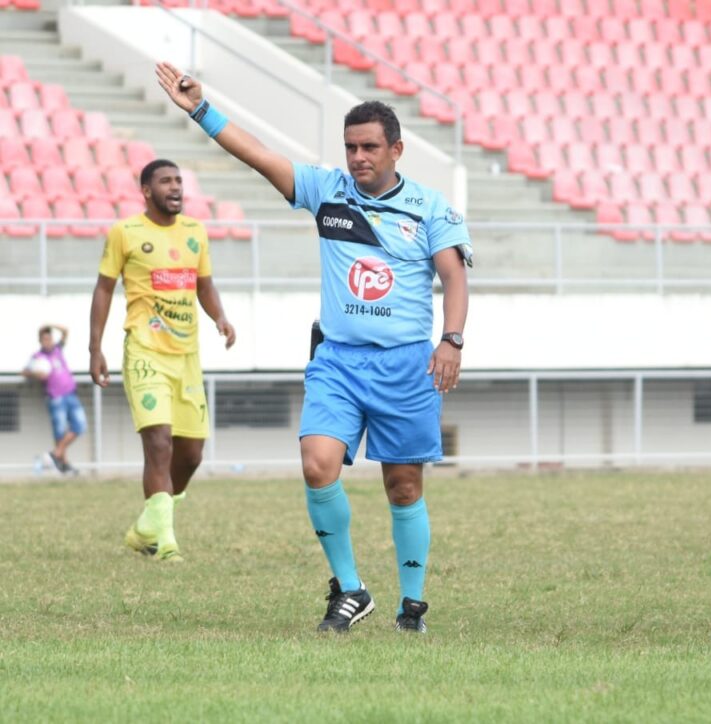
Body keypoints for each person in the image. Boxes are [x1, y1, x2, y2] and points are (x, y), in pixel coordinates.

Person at [155, 62, 470, 634]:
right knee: (316, 464)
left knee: (403, 485)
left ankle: (413, 606)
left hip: (405, 364)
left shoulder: (429, 207)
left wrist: (451, 340)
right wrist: (201, 108)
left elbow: (454, 277)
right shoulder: (327, 191)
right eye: (350, 146)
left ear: (396, 149)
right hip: (338, 361)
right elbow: (257, 155)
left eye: (369, 146)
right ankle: (350, 589)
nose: (358, 157)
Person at [89, 158, 236, 563]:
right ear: (147, 191)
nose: (175, 188)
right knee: (158, 442)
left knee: (191, 454)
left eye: (179, 181)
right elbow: (103, 289)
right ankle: (164, 543)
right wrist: (94, 347)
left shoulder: (195, 232)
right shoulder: (126, 232)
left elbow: (204, 284)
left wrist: (220, 317)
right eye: (166, 182)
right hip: (144, 350)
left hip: (187, 355)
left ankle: (146, 526)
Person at [23, 324, 87, 474]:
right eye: (44, 339)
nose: (48, 341)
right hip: (55, 398)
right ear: (40, 341)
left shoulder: (58, 349)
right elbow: (25, 371)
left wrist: (50, 325)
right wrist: (35, 374)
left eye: (49, 338)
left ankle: (54, 455)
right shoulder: (37, 357)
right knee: (60, 432)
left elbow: (66, 331)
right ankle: (63, 465)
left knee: (80, 426)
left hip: (71, 394)